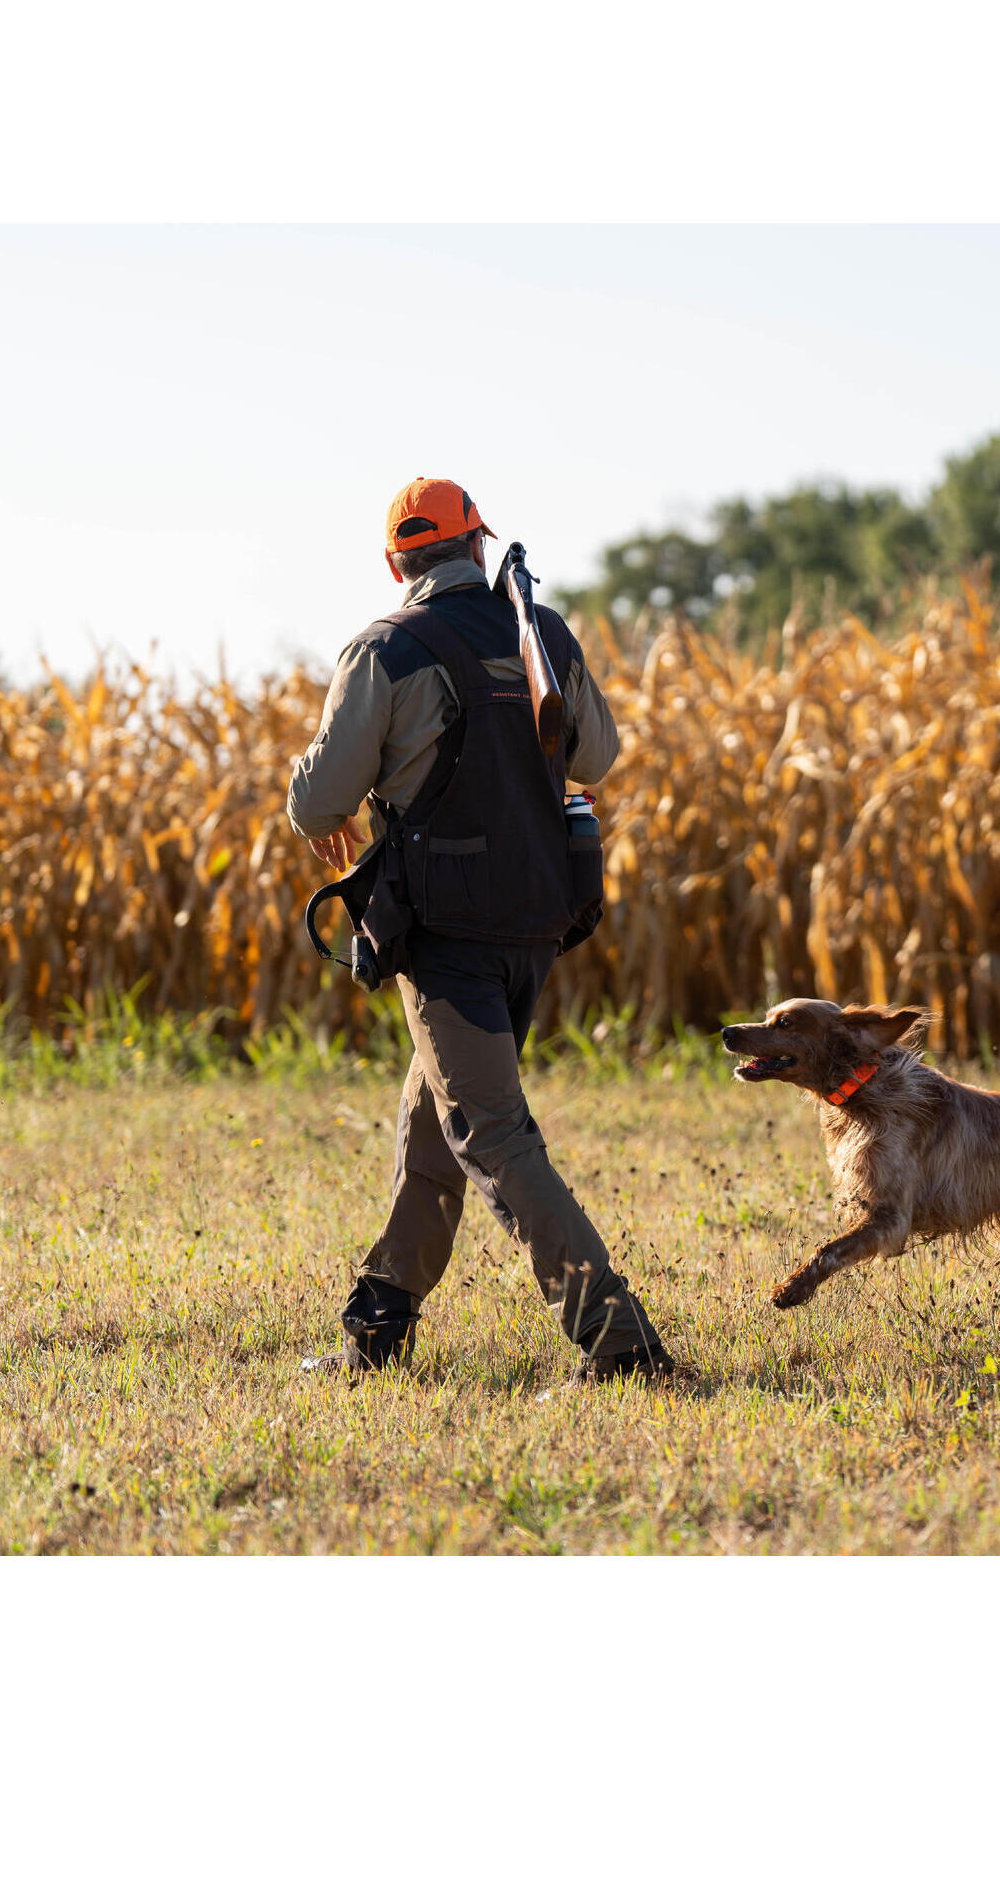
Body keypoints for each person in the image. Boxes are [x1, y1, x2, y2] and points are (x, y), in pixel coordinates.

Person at [288, 476, 674, 1378]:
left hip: (445, 930)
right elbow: (597, 758)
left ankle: (621, 1343)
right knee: (437, 1121)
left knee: (491, 1133)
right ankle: (377, 1328)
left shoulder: (384, 647)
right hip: (538, 921)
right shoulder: (542, 636)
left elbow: (320, 800)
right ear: (474, 545)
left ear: (396, 564)